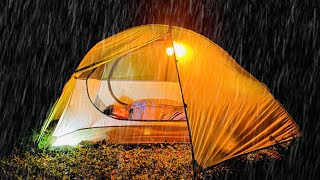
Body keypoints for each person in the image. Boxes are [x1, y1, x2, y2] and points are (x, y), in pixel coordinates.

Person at [103, 99, 186, 120]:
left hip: (170, 109)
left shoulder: (133, 105)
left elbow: (153, 104)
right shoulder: (133, 122)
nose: (122, 109)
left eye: (120, 107)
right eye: (119, 111)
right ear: (118, 117)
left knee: (186, 110)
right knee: (187, 115)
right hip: (168, 118)